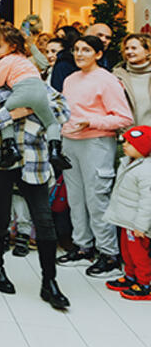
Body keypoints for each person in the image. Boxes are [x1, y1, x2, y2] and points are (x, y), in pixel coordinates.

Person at [0, 44, 72, 311]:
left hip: (34, 159)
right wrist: (16, 113)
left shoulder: (31, 78)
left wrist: (31, 107)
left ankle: (49, 282)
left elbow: (63, 110)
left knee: (44, 220)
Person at [57, 35, 134, 277]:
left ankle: (109, 255)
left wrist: (91, 121)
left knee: (97, 199)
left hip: (96, 143)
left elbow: (124, 118)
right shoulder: (70, 79)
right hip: (70, 142)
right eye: (77, 49)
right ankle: (83, 247)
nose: (79, 54)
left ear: (98, 54)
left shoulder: (107, 80)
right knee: (76, 199)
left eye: (86, 50)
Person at [0, 25, 66, 169]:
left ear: (12, 47)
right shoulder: (23, 59)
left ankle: (10, 149)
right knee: (51, 122)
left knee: (4, 116)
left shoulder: (6, 60)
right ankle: (55, 151)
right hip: (40, 91)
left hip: (23, 91)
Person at [103, 126, 151, 300]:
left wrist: (141, 226)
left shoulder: (147, 170)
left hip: (137, 225)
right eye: (125, 141)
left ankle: (145, 284)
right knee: (127, 252)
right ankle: (130, 276)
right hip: (126, 220)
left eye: (130, 143)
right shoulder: (128, 162)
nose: (124, 145)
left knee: (139, 255)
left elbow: (148, 202)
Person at [113, 33, 151, 127]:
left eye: (134, 48)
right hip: (127, 133)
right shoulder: (117, 76)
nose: (129, 52)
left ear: (148, 51)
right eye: (126, 48)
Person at [50, 26, 81, 92]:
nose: (58, 40)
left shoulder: (64, 62)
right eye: (57, 37)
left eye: (62, 37)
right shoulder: (61, 58)